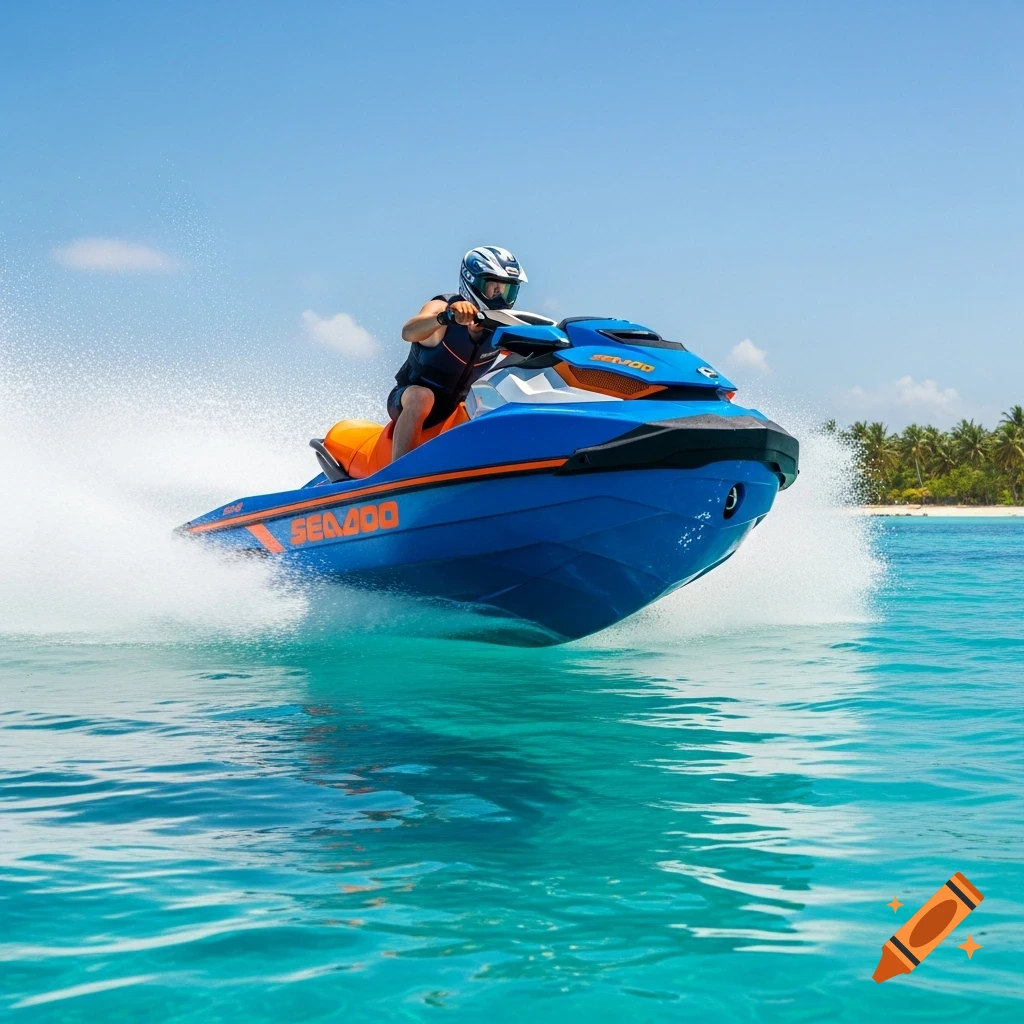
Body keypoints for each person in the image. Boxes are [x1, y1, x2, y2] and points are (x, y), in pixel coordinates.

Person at [389, 246, 527, 460]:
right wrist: (446, 317)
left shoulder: (502, 327)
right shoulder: (443, 306)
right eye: (495, 288)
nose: (500, 297)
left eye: (508, 290)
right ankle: (398, 476)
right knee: (422, 396)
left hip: (457, 411)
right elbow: (408, 332)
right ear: (473, 282)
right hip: (408, 399)